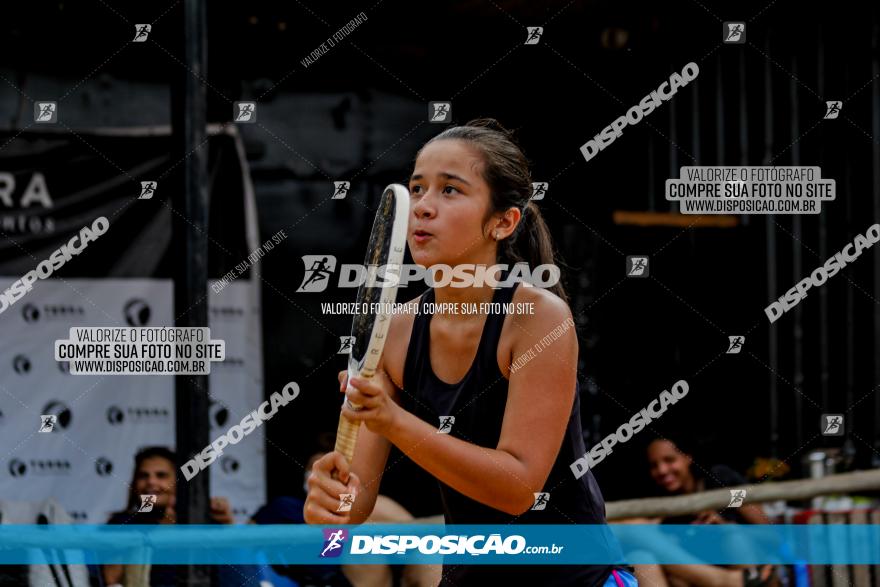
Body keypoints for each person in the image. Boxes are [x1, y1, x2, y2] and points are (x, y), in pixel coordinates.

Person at [304, 118, 635, 587]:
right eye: (417, 188)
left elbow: (518, 488)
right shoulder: (395, 330)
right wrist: (329, 501)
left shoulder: (538, 317)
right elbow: (349, 511)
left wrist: (393, 422)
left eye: (450, 190)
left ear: (503, 222)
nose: (423, 207)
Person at [625, 437, 775, 587]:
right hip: (693, 578)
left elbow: (770, 536)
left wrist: (725, 526)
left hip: (741, 566)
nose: (662, 470)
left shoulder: (720, 482)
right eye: (654, 465)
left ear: (687, 458)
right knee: (640, 557)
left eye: (669, 460)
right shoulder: (659, 505)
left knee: (735, 538)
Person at [102, 446, 235, 587]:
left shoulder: (204, 521)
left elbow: (233, 577)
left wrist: (228, 528)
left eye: (161, 476)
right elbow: (111, 579)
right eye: (143, 476)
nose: (151, 482)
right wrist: (160, 531)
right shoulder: (122, 523)